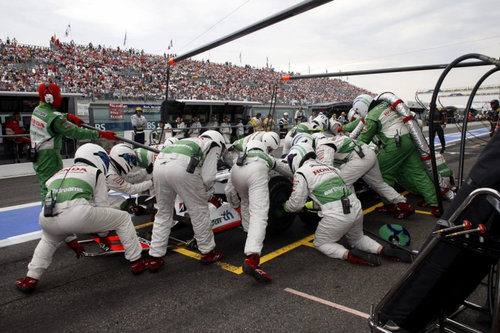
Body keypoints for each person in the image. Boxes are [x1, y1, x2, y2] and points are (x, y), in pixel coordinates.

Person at [15, 144, 147, 293]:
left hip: (47, 217)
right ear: (97, 157)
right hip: (78, 215)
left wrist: (72, 242)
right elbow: (101, 206)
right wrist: (103, 236)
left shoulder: (58, 173)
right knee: (122, 218)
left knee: (47, 242)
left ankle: (31, 278)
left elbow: (59, 209)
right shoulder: (96, 172)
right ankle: (137, 261)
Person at [283, 143, 412, 266]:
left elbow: (296, 205)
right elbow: (332, 193)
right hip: (355, 208)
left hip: (337, 216)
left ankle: (349, 255)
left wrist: (285, 207)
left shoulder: (301, 173)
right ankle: (382, 250)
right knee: (358, 239)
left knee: (321, 243)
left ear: (294, 158)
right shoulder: (330, 168)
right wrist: (311, 206)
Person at [145, 130, 227, 271]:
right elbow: (208, 177)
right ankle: (207, 253)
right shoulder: (214, 144)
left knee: (163, 213)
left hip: (159, 167)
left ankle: (154, 258)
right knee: (199, 213)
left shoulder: (189, 140)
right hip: (181, 170)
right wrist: (205, 192)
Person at [353, 94, 440, 216]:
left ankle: (391, 205)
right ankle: (435, 204)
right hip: (410, 140)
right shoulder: (386, 104)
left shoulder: (371, 116)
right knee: (419, 173)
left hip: (395, 143)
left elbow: (363, 140)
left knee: (381, 174)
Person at [30, 82, 118, 203]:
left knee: (46, 186)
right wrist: (101, 134)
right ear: (49, 98)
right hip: (49, 158)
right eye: (58, 95)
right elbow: (77, 133)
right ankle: (49, 215)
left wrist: (67, 116)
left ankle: (50, 213)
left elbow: (49, 115)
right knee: (51, 187)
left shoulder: (37, 110)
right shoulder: (55, 119)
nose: (60, 98)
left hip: (38, 155)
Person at [315, 121, 414, 219]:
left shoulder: (321, 146)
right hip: (367, 153)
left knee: (342, 184)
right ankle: (403, 204)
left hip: (360, 157)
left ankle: (353, 214)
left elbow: (325, 169)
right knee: (378, 184)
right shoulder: (332, 139)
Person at [225, 140, 276, 282]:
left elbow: (228, 190)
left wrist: (235, 206)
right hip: (256, 173)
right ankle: (252, 259)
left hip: (237, 175)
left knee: (246, 203)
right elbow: (283, 167)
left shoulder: (238, 160)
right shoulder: (265, 157)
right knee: (259, 214)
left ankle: (249, 234)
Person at [106, 144, 154, 210]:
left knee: (124, 201)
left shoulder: (113, 167)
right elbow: (131, 189)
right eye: (130, 159)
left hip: (96, 195)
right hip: (91, 200)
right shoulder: (110, 175)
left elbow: (128, 178)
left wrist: (145, 171)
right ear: (120, 156)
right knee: (121, 202)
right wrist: (151, 182)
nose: (131, 163)